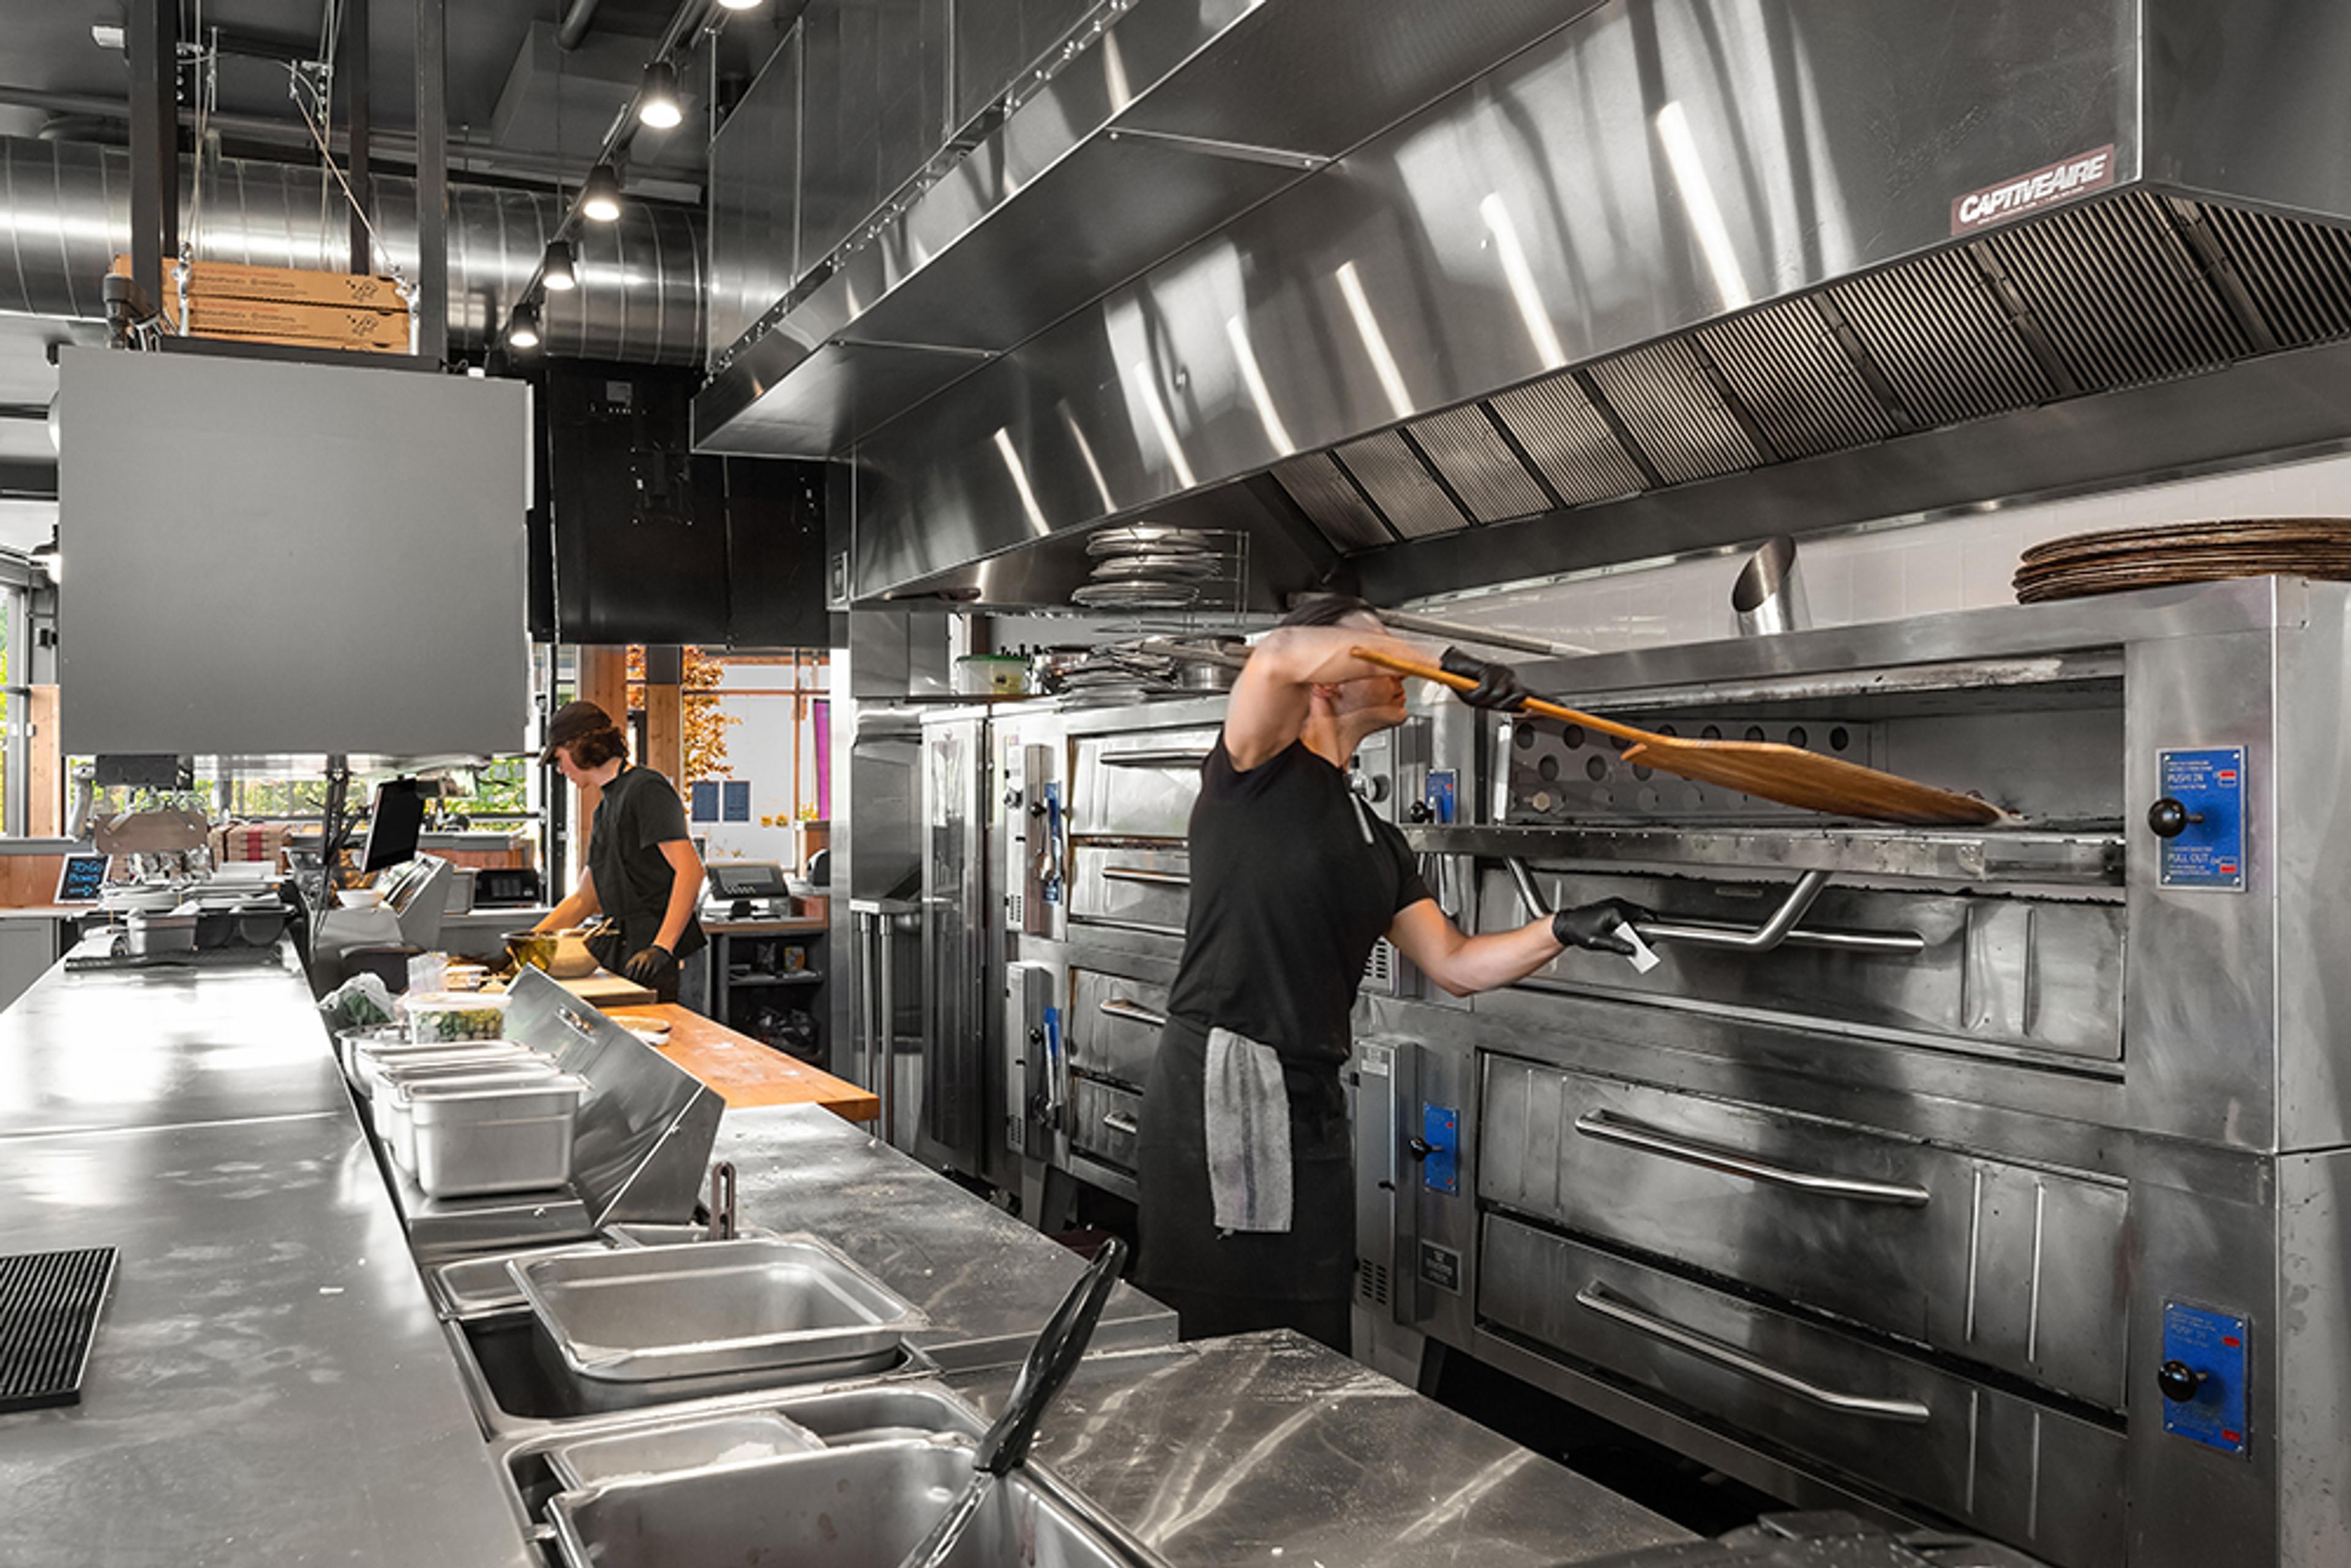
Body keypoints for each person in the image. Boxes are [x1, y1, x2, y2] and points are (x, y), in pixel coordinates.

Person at [1133, 596, 1648, 1351]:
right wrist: (1444, 662)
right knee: (1221, 1333)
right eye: (1378, 653)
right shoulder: (1252, 768)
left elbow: (1456, 963)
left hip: (1309, 1101)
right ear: (1327, 682)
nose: (1399, 663)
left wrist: (1561, 928)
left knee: (1306, 1328)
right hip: (1224, 1095)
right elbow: (1276, 652)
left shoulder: (1376, 835)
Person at [534, 700, 707, 1004]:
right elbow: (584, 899)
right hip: (630, 953)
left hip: (663, 955)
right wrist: (527, 945)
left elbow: (690, 870)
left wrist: (662, 947)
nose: (560, 770)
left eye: (559, 758)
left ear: (579, 746)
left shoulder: (646, 789)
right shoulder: (605, 808)